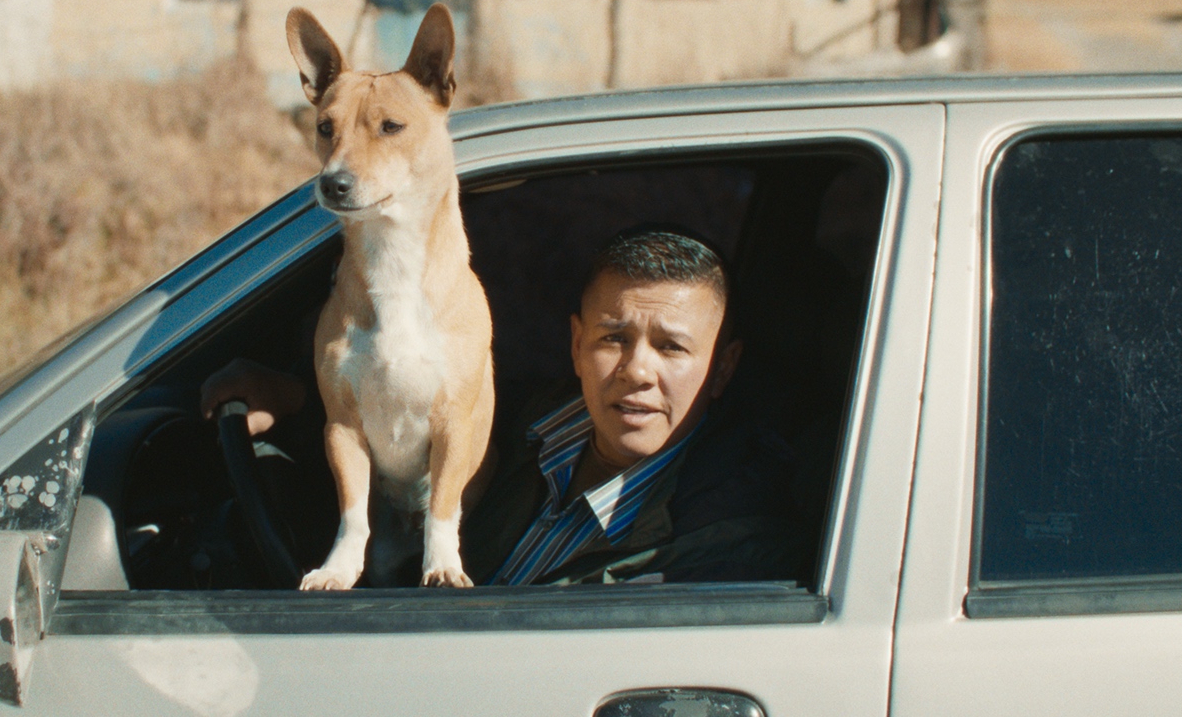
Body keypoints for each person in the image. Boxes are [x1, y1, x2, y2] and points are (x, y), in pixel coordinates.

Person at [201, 226, 815, 586]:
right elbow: (422, 422)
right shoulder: (534, 423)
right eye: (612, 339)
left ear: (722, 368)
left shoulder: (726, 543)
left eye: (672, 348)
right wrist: (302, 400)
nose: (636, 372)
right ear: (576, 345)